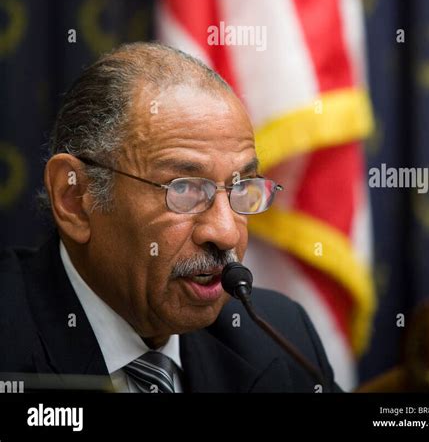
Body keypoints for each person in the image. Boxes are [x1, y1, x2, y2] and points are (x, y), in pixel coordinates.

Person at [0, 42, 340, 393]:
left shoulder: (281, 335)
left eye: (240, 187)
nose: (225, 233)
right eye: (185, 190)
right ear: (75, 197)